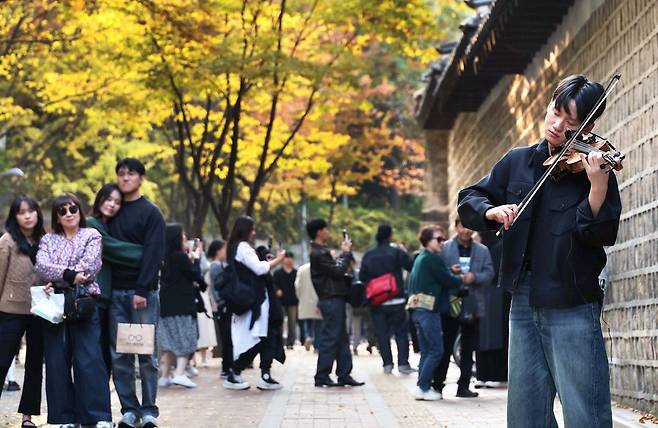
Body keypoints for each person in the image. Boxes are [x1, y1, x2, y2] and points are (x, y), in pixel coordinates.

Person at [457, 74, 622, 427]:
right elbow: (469, 199)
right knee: (525, 414)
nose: (558, 125)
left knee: (584, 412)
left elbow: (601, 234)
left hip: (572, 301)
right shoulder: (517, 162)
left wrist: (597, 187)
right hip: (523, 300)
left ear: (589, 126)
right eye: (555, 111)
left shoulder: (594, 169)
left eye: (572, 122)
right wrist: (491, 211)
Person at [36, 193, 112, 427]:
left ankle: (98, 417)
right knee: (57, 360)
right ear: (57, 217)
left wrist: (59, 275)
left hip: (84, 301)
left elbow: (90, 267)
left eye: (73, 209)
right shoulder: (48, 239)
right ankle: (64, 417)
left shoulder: (92, 235)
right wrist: (70, 275)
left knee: (89, 359)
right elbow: (41, 266)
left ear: (80, 211)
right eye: (62, 211)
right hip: (55, 304)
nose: (68, 214)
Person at [108, 158, 165, 428]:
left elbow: (154, 254)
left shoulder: (151, 213)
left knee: (146, 354)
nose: (125, 178)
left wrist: (143, 289)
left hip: (142, 295)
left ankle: (149, 410)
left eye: (131, 174)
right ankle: (129, 410)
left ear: (141, 178)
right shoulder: (111, 212)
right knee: (120, 355)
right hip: (115, 294)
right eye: (121, 174)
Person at [433, 217, 494, 398]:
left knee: (468, 346)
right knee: (446, 344)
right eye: (463, 226)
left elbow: (490, 272)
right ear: (456, 227)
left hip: (472, 301)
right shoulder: (445, 248)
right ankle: (437, 384)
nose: (466, 230)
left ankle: (464, 386)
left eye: (469, 227)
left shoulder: (482, 250)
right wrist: (452, 271)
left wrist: (475, 277)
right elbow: (438, 272)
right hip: (451, 300)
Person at [87, 184, 143, 377]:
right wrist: (148, 252)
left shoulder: (110, 226)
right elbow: (113, 248)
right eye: (108, 199)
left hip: (108, 298)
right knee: (97, 354)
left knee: (109, 354)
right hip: (94, 298)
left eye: (117, 202)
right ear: (100, 198)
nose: (112, 205)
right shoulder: (91, 224)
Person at [0, 196, 46, 428]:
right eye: (21, 212)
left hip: (39, 311)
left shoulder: (47, 241)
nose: (27, 216)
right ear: (15, 216)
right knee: (2, 360)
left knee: (34, 365)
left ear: (38, 213)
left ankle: (27, 417)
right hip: (9, 310)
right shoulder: (7, 241)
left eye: (31, 211)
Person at [224, 216, 285, 391]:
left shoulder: (234, 247)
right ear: (246, 230)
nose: (254, 232)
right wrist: (278, 259)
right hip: (254, 300)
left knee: (263, 337)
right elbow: (259, 268)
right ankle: (235, 372)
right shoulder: (242, 247)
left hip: (251, 299)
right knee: (259, 337)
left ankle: (262, 374)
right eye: (252, 229)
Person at [406, 225, 462, 401]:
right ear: (427, 240)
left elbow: (436, 277)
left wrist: (449, 272)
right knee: (436, 350)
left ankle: (421, 387)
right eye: (438, 239)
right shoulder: (432, 259)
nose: (442, 243)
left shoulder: (421, 257)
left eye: (443, 239)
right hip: (429, 311)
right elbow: (449, 281)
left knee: (426, 351)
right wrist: (460, 277)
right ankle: (423, 387)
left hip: (417, 310)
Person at [307, 218, 364, 388]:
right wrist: (346, 253)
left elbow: (333, 269)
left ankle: (344, 373)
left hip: (333, 298)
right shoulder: (319, 252)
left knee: (341, 337)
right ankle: (322, 375)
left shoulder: (320, 251)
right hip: (331, 299)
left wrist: (342, 254)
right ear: (319, 232)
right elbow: (338, 271)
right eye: (325, 229)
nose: (327, 232)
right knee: (331, 337)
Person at [359, 224, 415, 375]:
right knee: (401, 333)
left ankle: (387, 364)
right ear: (390, 236)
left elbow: (362, 277)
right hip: (396, 299)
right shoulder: (396, 253)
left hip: (378, 301)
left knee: (382, 334)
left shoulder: (369, 255)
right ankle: (403, 364)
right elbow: (411, 266)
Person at [157, 224, 206, 389]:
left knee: (171, 341)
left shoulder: (164, 257)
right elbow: (195, 276)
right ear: (177, 239)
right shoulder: (180, 257)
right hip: (183, 304)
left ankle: (164, 376)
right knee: (187, 338)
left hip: (166, 305)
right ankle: (179, 373)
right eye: (184, 237)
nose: (186, 240)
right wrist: (197, 258)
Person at [475, 229, 509, 388]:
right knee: (497, 335)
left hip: (487, 296)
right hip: (498, 296)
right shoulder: (498, 247)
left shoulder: (484, 249)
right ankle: (496, 374)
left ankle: (484, 374)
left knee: (486, 336)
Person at [206, 239, 231, 377]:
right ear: (217, 251)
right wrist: (221, 302)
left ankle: (227, 367)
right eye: (224, 249)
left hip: (221, 305)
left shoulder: (219, 265)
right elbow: (216, 288)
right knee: (226, 338)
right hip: (221, 306)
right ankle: (226, 368)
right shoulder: (216, 266)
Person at [194, 239, 217, 369]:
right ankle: (191, 359)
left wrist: (199, 255)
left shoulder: (204, 261)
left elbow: (203, 271)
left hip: (202, 295)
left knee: (204, 327)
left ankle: (203, 357)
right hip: (191, 295)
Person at [273, 251, 298, 349]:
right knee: (280, 322)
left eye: (290, 258)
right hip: (281, 301)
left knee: (292, 323)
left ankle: (290, 342)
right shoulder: (278, 273)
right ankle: (280, 342)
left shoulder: (296, 272)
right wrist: (277, 290)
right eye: (286, 258)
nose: (288, 260)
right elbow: (273, 284)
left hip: (293, 301)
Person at [294, 262, 322, 351]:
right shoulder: (320, 268)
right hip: (317, 299)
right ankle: (317, 345)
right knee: (318, 324)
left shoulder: (302, 269)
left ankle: (308, 336)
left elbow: (297, 285)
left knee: (307, 321)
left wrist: (300, 297)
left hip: (305, 298)